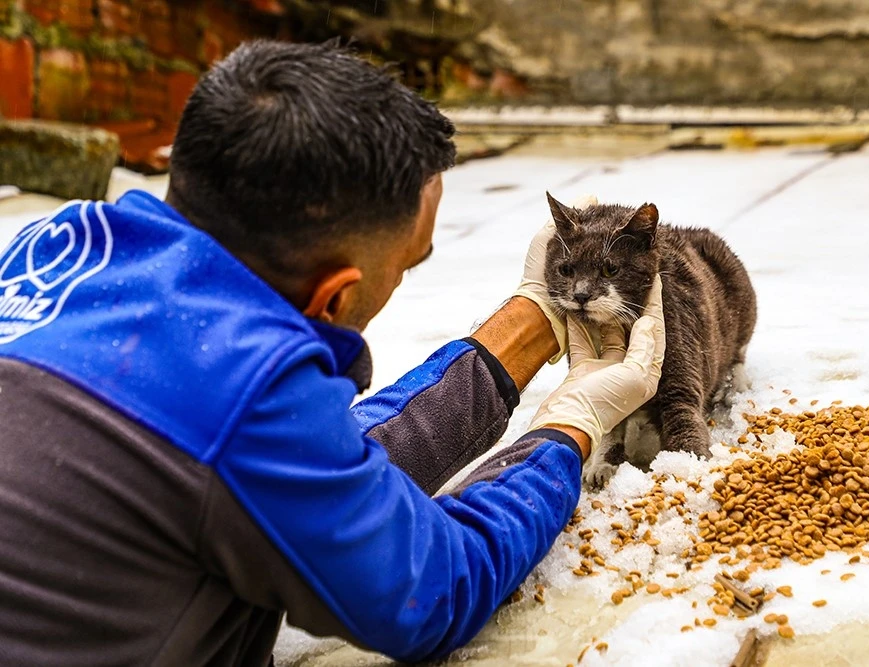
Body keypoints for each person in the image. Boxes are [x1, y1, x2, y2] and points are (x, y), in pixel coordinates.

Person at [0, 40, 664, 666]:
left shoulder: (60, 252)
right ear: (333, 297)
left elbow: (301, 469)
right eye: (408, 262)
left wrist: (530, 323)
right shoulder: (244, 392)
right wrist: (570, 424)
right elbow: (434, 586)